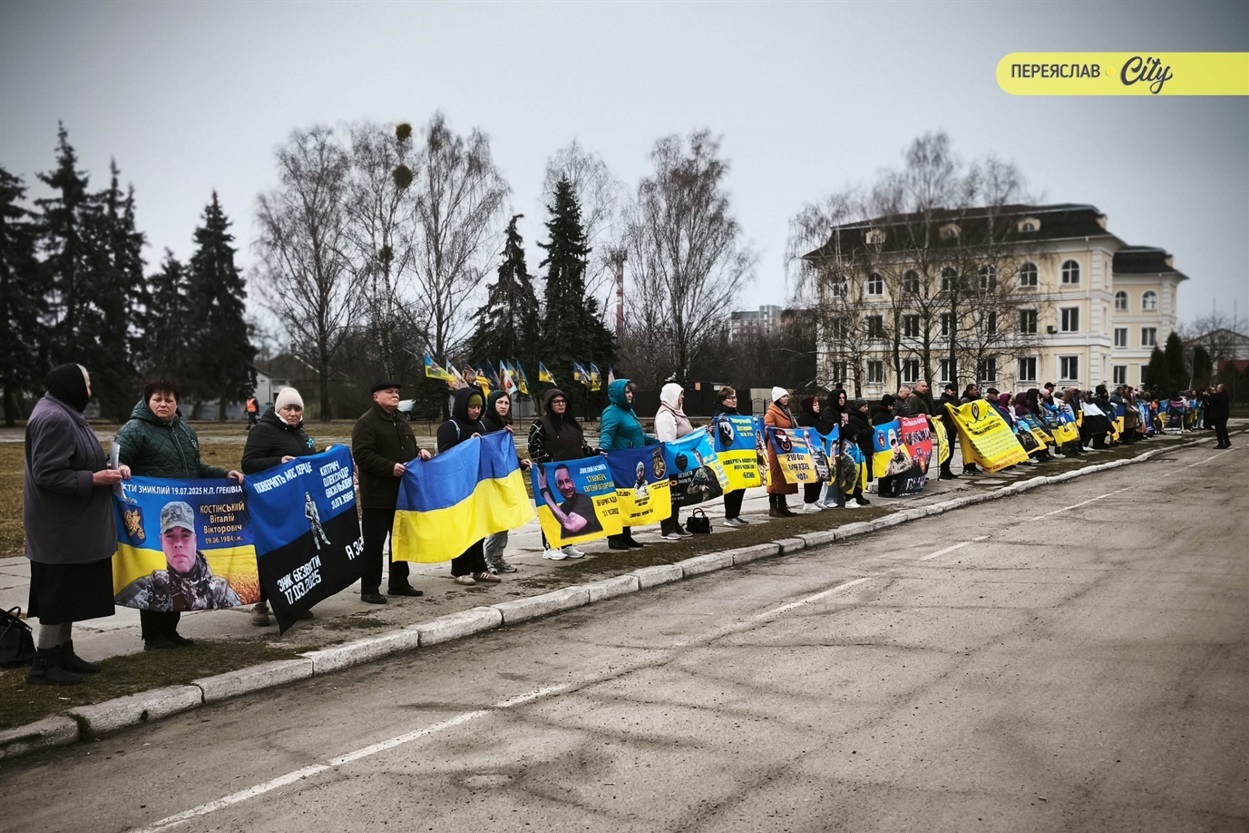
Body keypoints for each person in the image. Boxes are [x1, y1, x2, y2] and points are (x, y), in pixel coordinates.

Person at [115, 376, 244, 650]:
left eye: (169, 399)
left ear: (177, 403)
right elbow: (116, 458)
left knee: (178, 573)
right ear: (147, 401)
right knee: (155, 573)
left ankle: (170, 631)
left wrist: (224, 474)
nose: (163, 404)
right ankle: (153, 636)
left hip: (182, 512)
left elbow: (196, 469)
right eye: (157, 399)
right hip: (150, 514)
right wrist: (122, 467)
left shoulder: (185, 431)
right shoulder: (135, 429)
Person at [23, 364, 130, 685]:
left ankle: (62, 651)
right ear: (72, 385)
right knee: (57, 596)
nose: (90, 389)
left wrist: (109, 467)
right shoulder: (54, 418)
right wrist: (95, 478)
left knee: (68, 593)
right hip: (60, 529)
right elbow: (48, 474)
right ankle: (43, 663)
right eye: (87, 383)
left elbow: (73, 459)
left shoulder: (62, 412)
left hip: (69, 526)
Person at [242, 386, 320, 626]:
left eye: (298, 408)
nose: (294, 413)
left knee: (296, 553)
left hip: (297, 506)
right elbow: (249, 463)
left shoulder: (302, 434)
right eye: (289, 408)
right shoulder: (263, 431)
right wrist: (278, 462)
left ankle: (293, 601)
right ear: (279, 410)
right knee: (270, 554)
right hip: (271, 508)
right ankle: (260, 604)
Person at [351, 380, 432, 605]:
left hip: (402, 493)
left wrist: (419, 452)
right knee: (374, 545)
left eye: (397, 392)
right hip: (377, 495)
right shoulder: (366, 422)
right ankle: (369, 589)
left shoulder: (401, 421)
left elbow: (408, 448)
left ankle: (398, 583)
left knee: (400, 540)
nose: (395, 395)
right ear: (376, 397)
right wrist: (390, 467)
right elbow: (362, 454)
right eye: (390, 392)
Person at [116, 500, 242, 610]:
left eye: (185, 535)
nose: (178, 543)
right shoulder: (148, 588)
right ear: (161, 542)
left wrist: (223, 475)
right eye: (170, 536)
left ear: (195, 541)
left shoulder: (220, 590)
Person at [436, 386, 502, 586]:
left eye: (478, 407)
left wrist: (503, 439)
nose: (475, 411)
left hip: (477, 485)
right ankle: (460, 570)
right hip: (457, 488)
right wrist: (468, 445)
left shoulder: (480, 426)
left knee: (478, 528)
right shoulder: (449, 427)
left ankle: (479, 568)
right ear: (462, 406)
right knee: (462, 528)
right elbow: (446, 455)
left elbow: (490, 451)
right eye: (471, 407)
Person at [528, 388, 598, 560]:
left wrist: (596, 454)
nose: (560, 404)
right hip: (552, 475)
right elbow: (533, 447)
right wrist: (549, 462)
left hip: (572, 475)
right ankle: (550, 546)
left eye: (563, 401)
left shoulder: (572, 423)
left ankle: (567, 544)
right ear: (549, 404)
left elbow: (583, 447)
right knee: (551, 509)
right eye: (556, 402)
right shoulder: (541, 424)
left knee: (569, 509)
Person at [598, 379, 659, 549]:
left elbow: (638, 436)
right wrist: (602, 449)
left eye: (631, 391)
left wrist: (658, 443)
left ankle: (626, 535)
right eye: (626, 392)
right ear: (617, 394)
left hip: (633, 461)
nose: (630, 395)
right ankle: (615, 538)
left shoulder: (628, 412)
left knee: (629, 499)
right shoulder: (611, 412)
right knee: (620, 499)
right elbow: (607, 434)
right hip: (619, 462)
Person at [480, 389, 532, 572]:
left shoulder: (504, 426)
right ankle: (485, 559)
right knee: (492, 519)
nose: (503, 406)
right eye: (499, 403)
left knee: (506, 517)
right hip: (488, 480)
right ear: (492, 404)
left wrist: (519, 461)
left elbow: (502, 453)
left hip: (504, 478)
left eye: (506, 403)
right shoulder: (483, 425)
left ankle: (497, 557)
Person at [655, 382, 694, 540]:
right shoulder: (666, 415)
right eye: (680, 394)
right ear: (672, 396)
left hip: (680, 462)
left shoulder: (677, 412)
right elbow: (668, 441)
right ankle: (667, 528)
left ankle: (675, 524)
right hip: (671, 463)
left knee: (677, 496)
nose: (683, 397)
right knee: (670, 496)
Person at [537, 463, 603, 539]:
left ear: (573, 483)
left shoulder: (584, 500)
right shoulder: (564, 507)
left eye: (567, 481)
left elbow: (571, 526)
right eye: (560, 483)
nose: (566, 487)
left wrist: (544, 492)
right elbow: (554, 510)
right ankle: (565, 548)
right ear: (556, 487)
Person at [713, 386, 749, 526]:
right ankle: (730, 516)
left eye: (735, 397)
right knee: (732, 487)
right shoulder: (720, 416)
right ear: (723, 400)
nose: (734, 400)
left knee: (741, 485)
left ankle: (736, 514)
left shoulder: (736, 414)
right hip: (728, 456)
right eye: (730, 398)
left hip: (740, 455)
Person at [764, 387, 799, 517]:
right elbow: (767, 430)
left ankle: (783, 506)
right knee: (775, 478)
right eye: (783, 396)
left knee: (784, 477)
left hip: (785, 448)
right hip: (775, 449)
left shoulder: (787, 412)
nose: (786, 398)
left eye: (787, 396)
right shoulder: (771, 413)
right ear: (777, 398)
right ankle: (773, 507)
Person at [795, 395, 825, 513]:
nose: (817, 407)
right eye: (814, 404)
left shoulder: (817, 417)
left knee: (820, 475)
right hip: (810, 451)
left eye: (818, 404)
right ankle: (808, 501)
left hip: (819, 450)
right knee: (813, 476)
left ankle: (815, 498)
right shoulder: (805, 418)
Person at [936, 383, 960, 480]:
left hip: (953, 428)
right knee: (946, 450)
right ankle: (944, 471)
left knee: (951, 450)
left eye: (955, 390)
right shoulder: (943, 400)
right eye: (952, 390)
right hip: (946, 428)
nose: (954, 392)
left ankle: (947, 469)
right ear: (946, 390)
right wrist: (946, 407)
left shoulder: (955, 400)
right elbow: (939, 411)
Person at [1206, 383, 1231, 448]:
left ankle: (1221, 444)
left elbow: (1211, 400)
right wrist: (1211, 394)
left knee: (1219, 430)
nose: (1216, 390)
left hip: (1219, 415)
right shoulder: (1224, 395)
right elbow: (1215, 396)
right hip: (1224, 415)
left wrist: (1208, 395)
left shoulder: (1220, 396)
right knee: (1223, 429)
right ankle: (1227, 441)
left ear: (1221, 389)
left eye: (1217, 388)